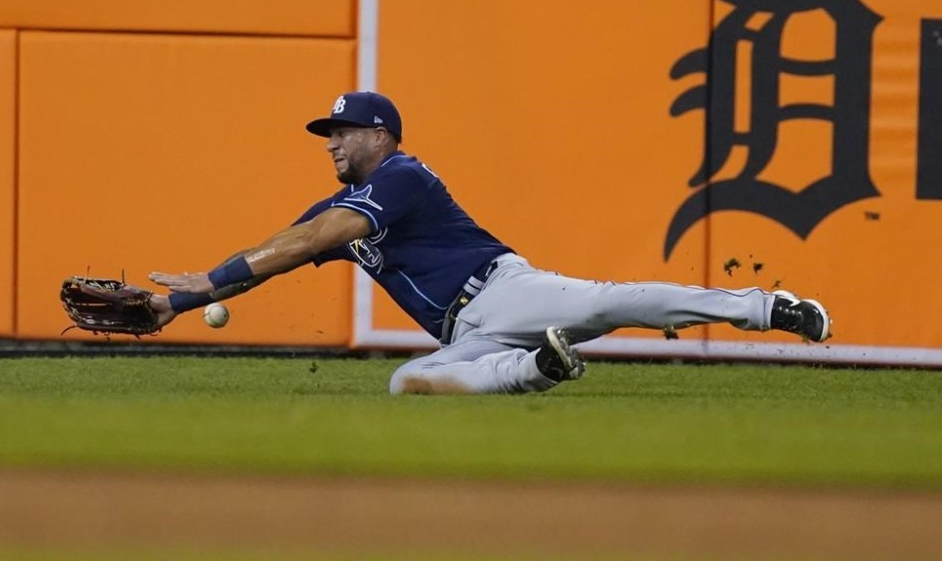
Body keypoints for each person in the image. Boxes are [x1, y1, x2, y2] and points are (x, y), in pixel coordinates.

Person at [147, 91, 832, 395]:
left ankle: (765, 309)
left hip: (503, 291)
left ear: (381, 136)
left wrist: (208, 281)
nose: (332, 141)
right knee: (408, 381)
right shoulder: (338, 205)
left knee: (618, 302)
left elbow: (314, 238)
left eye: (343, 129)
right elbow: (289, 247)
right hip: (463, 331)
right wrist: (179, 302)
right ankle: (541, 368)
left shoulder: (403, 176)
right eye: (329, 131)